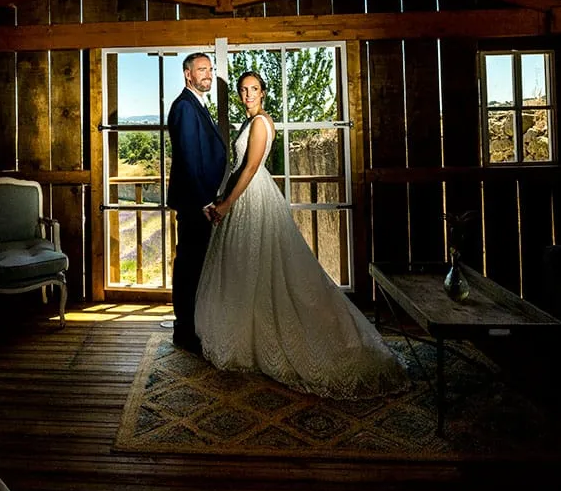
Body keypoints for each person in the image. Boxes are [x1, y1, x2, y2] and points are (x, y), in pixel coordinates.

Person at [195, 70, 411, 400]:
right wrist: (221, 198)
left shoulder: (260, 123)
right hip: (245, 195)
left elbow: (251, 168)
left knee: (264, 270)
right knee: (247, 272)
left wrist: (226, 205)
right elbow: (239, 168)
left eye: (254, 89)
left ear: (264, 93)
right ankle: (247, 338)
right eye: (243, 90)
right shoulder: (249, 122)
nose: (248, 94)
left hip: (253, 198)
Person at [165, 52, 227, 353]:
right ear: (188, 74)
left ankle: (193, 326)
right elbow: (190, 159)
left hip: (201, 199)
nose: (208, 74)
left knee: (197, 265)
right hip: (194, 204)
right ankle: (185, 331)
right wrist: (205, 202)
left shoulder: (197, 105)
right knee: (189, 266)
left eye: (210, 69)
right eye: (201, 69)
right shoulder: (185, 107)